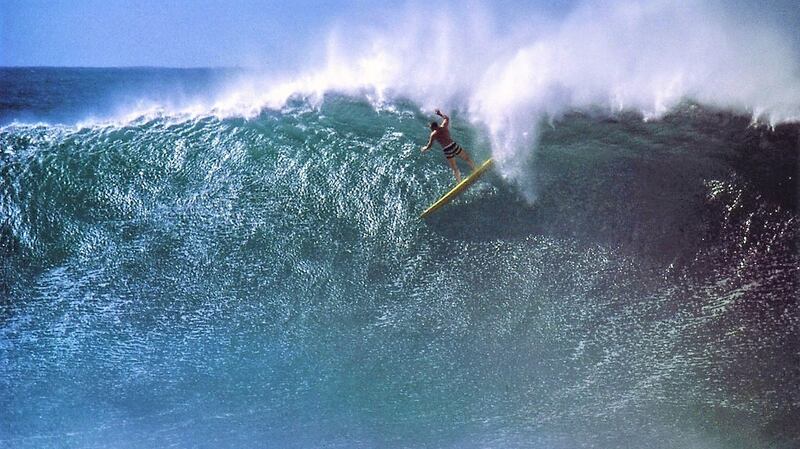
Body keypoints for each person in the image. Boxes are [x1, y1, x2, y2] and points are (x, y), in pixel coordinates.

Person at [420, 109, 476, 182]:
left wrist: (425, 148)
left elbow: (429, 145)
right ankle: (475, 170)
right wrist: (439, 114)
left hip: (447, 150)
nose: (430, 129)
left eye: (431, 127)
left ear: (433, 127)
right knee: (466, 158)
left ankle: (459, 182)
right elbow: (447, 118)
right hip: (453, 145)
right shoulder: (443, 126)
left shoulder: (433, 134)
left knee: (454, 167)